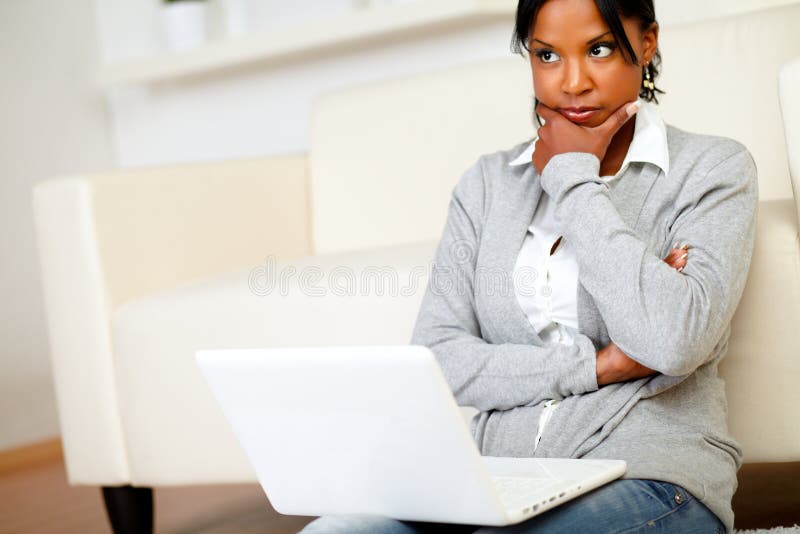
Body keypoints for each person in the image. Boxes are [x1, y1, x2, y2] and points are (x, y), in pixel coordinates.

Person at [300, 0, 756, 532]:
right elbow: (442, 358)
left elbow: (673, 340)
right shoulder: (487, 184)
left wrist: (571, 176)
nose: (573, 82)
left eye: (600, 49)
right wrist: (598, 367)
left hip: (649, 478)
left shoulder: (712, 170)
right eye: (547, 55)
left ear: (648, 42)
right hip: (495, 481)